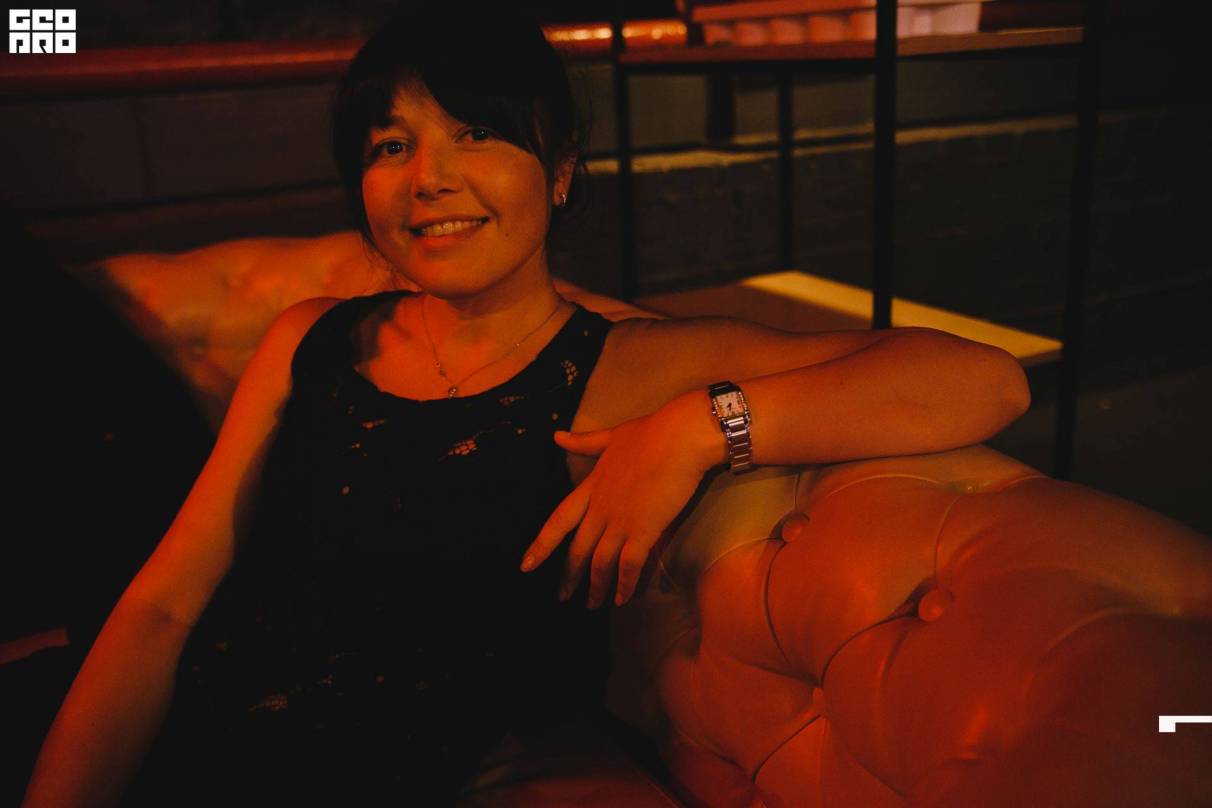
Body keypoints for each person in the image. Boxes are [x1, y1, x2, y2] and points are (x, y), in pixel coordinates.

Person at [22, 7, 1030, 807]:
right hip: (195, 739)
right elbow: (162, 607)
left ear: (559, 172)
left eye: (477, 133)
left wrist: (697, 428)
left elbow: (986, 380)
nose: (429, 179)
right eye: (390, 144)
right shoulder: (311, 339)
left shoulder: (628, 365)